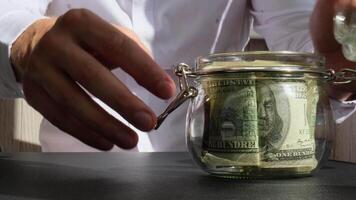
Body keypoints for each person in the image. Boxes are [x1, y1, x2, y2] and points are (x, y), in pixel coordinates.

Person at [0, 0, 355, 152]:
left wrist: (344, 47)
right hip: (67, 186)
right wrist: (25, 42)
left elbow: (312, 53)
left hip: (206, 184)